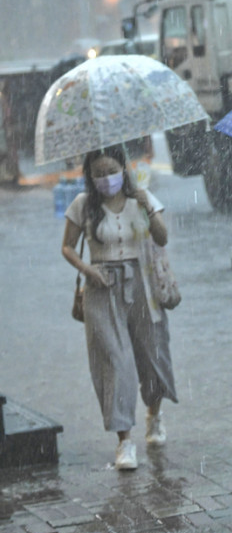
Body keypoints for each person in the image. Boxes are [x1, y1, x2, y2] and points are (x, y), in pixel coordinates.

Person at [61, 144, 178, 471]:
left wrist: (148, 209)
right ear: (89, 176)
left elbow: (163, 238)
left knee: (152, 356)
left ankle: (154, 415)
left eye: (111, 171)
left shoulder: (142, 198)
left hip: (142, 284)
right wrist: (88, 270)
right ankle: (124, 441)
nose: (105, 178)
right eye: (98, 173)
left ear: (123, 169)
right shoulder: (83, 205)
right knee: (114, 363)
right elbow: (67, 247)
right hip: (101, 288)